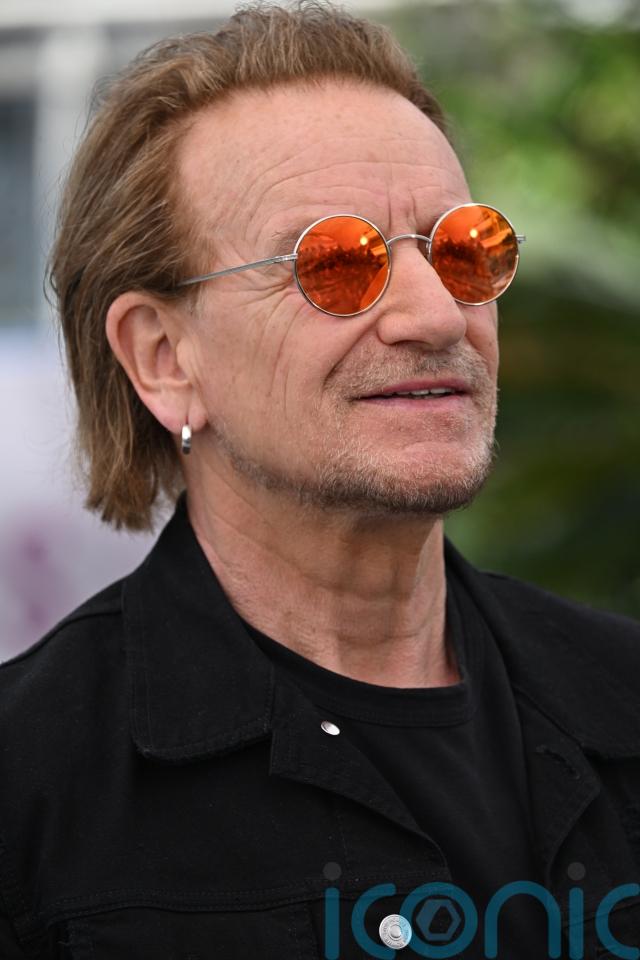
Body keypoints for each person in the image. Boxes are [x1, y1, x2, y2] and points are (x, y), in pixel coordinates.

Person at [1, 2, 639, 957]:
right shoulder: (33, 791)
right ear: (164, 356)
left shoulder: (622, 697)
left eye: (465, 251)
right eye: (336, 263)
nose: (437, 314)